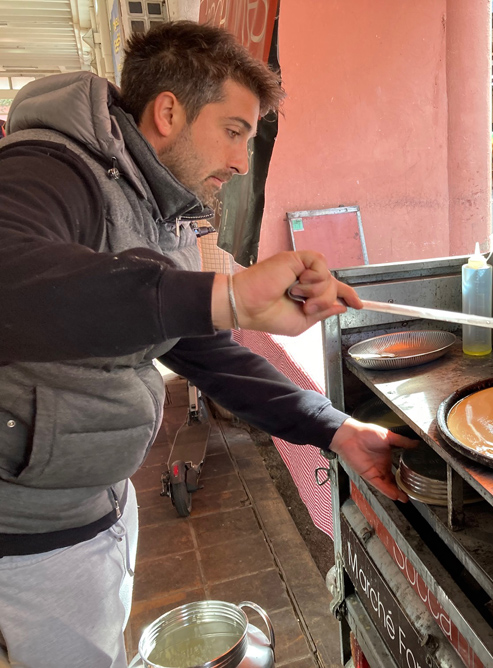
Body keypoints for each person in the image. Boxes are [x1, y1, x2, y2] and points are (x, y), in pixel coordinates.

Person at [0, 21, 415, 667]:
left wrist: (334, 430)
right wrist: (223, 297)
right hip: (31, 529)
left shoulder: (153, 203)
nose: (240, 162)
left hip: (98, 492)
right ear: (168, 111)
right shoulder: (51, 169)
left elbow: (195, 347)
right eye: (233, 132)